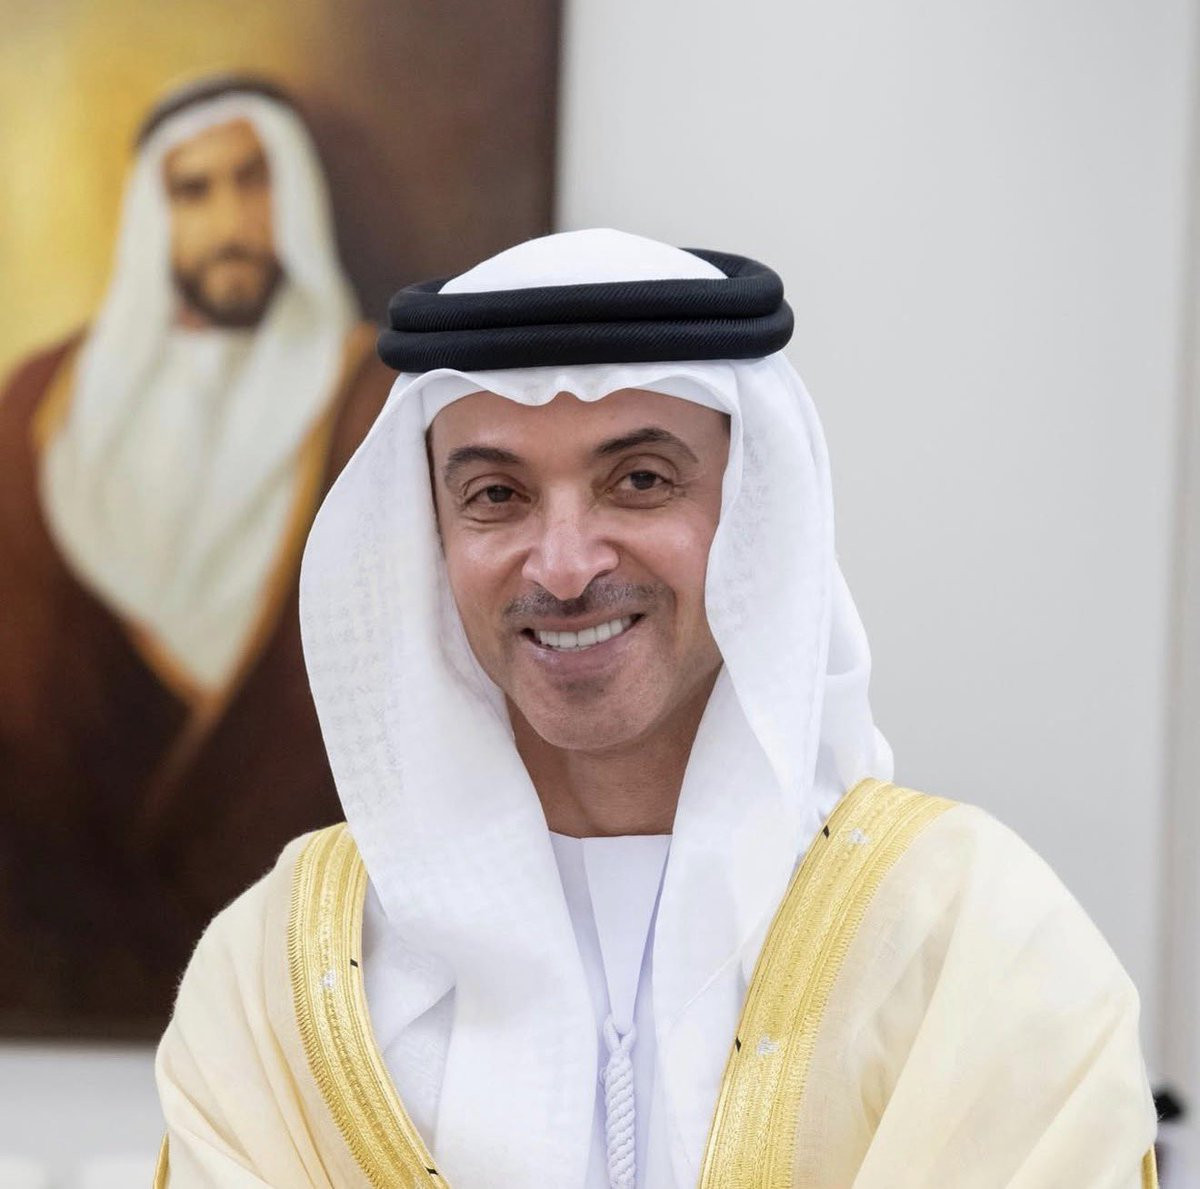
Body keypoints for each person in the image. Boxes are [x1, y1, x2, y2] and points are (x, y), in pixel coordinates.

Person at [155, 229, 1157, 1186]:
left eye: (640, 481)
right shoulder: (279, 978)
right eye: (496, 495)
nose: (563, 566)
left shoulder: (977, 944)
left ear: (754, 512)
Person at [0, 75, 393, 1035]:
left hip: (309, 970)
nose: (230, 222)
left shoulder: (377, 401)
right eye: (194, 190)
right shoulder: (41, 404)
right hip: (59, 951)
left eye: (254, 181)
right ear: (152, 214)